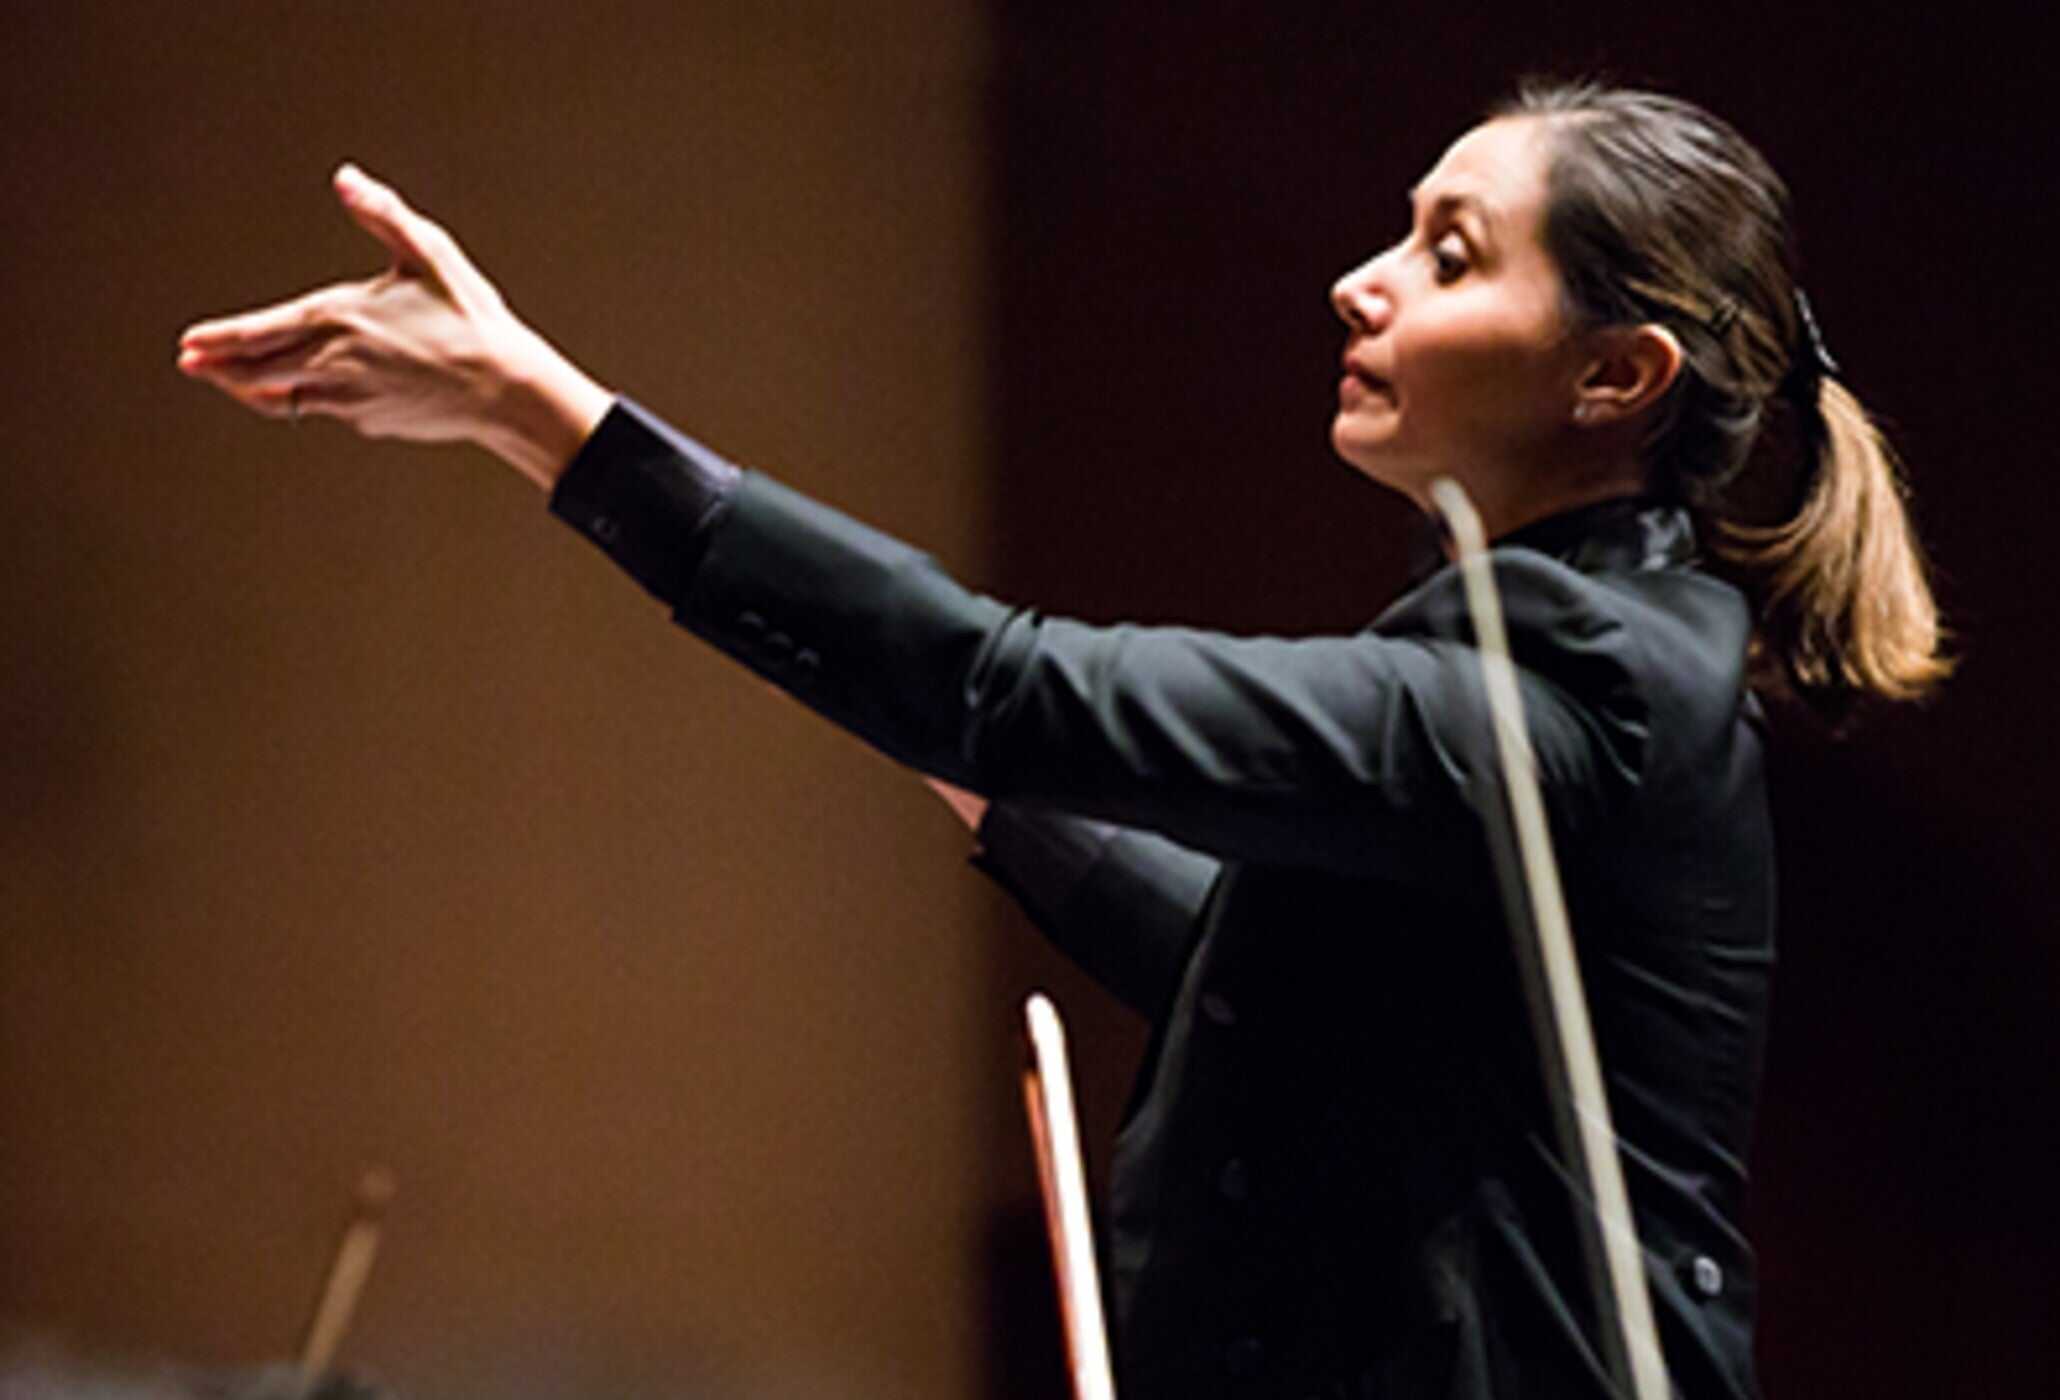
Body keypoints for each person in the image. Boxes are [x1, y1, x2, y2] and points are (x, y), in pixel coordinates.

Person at [178, 81, 1946, 1399]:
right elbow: (1280, 979)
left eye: (1448, 255)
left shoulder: (1589, 690)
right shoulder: (1550, 657)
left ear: (1614, 375)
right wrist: (973, 764)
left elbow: (1014, 683)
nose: (1361, 282)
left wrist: (534, 409)